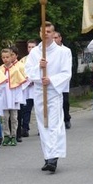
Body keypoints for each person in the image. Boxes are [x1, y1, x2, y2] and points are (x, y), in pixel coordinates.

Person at [25, 21, 72, 173]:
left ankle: (53, 157)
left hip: (53, 92)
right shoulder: (34, 53)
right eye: (43, 32)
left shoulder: (63, 52)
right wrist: (39, 69)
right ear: (39, 33)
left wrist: (50, 79)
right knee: (43, 124)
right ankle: (47, 156)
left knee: (54, 124)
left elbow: (66, 73)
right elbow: (28, 72)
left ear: (53, 34)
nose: (46, 34)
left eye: (49, 32)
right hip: (39, 91)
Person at [0, 48, 27, 146]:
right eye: (3, 57)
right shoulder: (0, 70)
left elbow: (20, 85)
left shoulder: (15, 70)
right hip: (4, 98)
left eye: (7, 57)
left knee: (14, 118)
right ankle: (6, 135)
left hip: (13, 97)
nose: (5, 59)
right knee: (5, 118)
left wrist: (17, 98)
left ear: (11, 57)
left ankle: (14, 135)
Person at [19, 40, 37, 137]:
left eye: (33, 47)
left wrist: (35, 80)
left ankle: (41, 128)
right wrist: (27, 81)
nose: (31, 49)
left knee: (39, 109)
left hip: (37, 87)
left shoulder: (40, 59)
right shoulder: (23, 60)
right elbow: (21, 73)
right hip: (27, 87)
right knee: (26, 109)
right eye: (29, 47)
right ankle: (25, 127)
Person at [54, 31, 73, 129]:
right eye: (53, 38)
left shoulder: (66, 50)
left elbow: (68, 65)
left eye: (56, 37)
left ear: (60, 38)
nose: (54, 40)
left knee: (65, 101)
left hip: (63, 80)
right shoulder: (49, 51)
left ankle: (66, 118)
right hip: (53, 80)